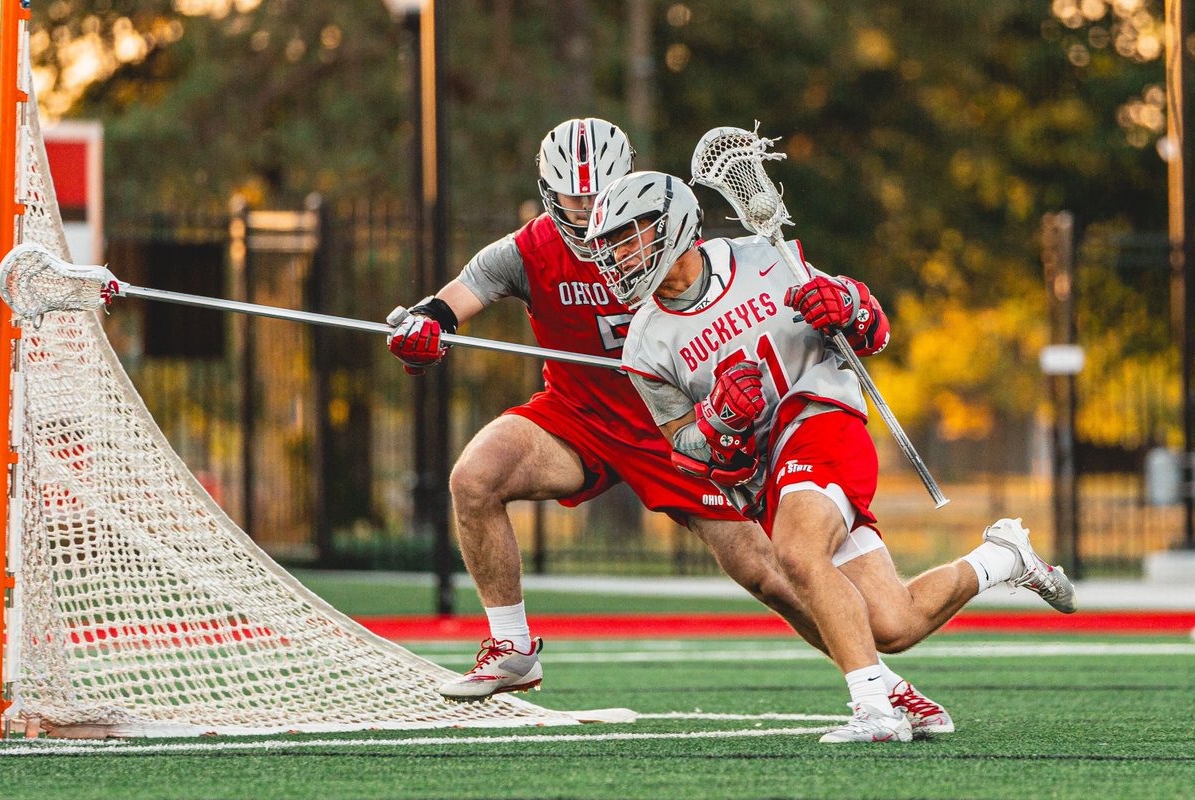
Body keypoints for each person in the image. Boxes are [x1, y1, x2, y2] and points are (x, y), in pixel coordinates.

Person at [385, 120, 952, 734]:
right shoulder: (526, 249)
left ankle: (886, 687)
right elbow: (453, 299)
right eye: (571, 199)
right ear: (548, 193)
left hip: (681, 426)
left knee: (773, 571)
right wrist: (422, 326)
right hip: (578, 417)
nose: (586, 214)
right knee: (475, 476)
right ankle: (511, 646)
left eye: (598, 197)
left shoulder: (658, 236)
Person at [584, 170, 1078, 744]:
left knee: (796, 553)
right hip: (773, 470)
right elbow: (685, 450)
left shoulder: (765, 257)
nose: (615, 259)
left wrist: (845, 304)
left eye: (626, 238)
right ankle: (1003, 557)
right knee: (893, 624)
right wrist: (717, 417)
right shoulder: (644, 340)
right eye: (609, 246)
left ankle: (874, 709)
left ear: (669, 226)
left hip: (822, 419)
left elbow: (870, 329)